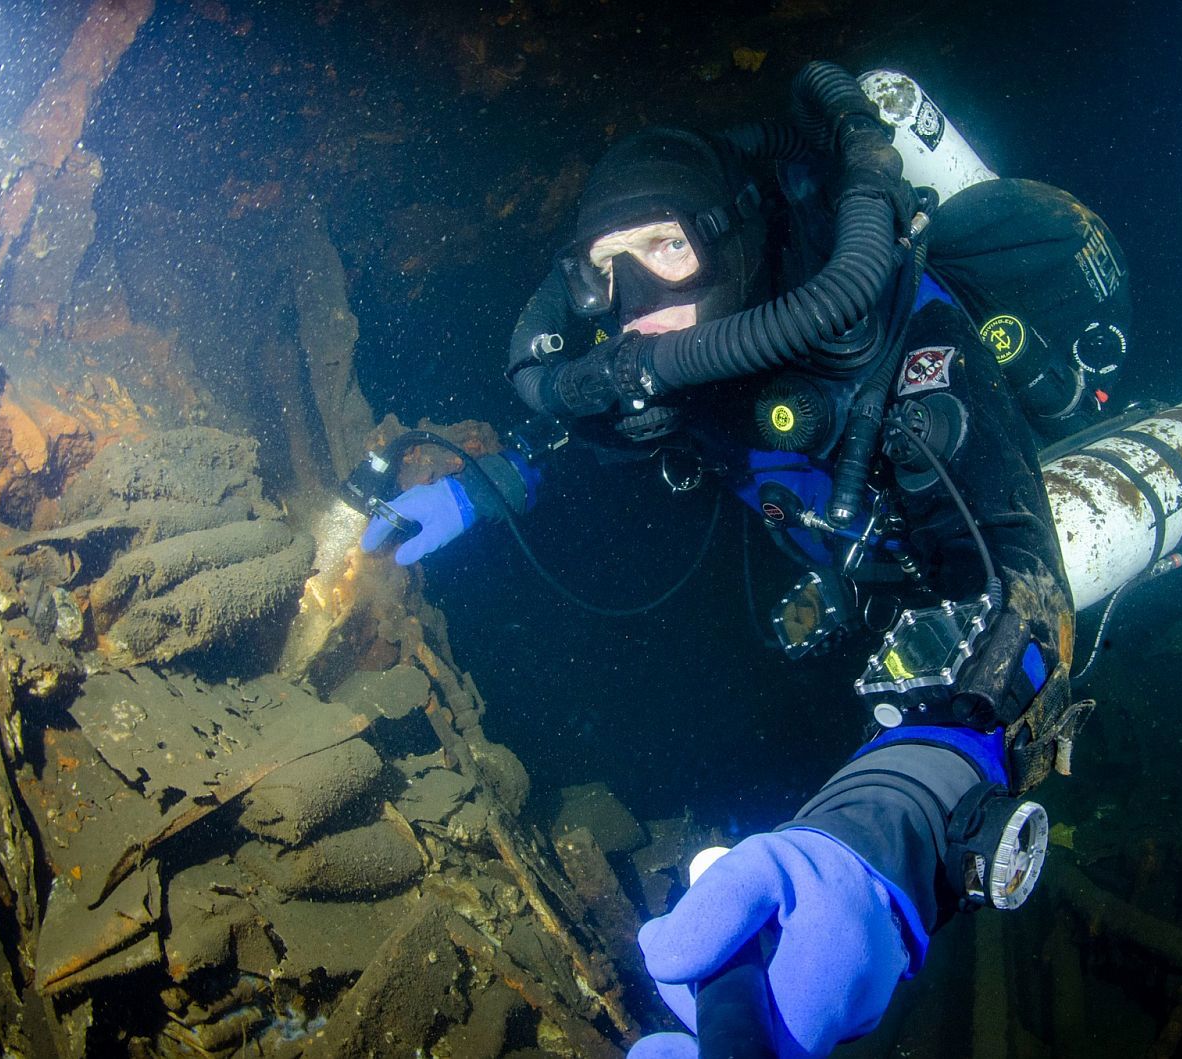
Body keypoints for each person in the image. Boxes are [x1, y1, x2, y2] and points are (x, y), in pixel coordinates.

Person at [360, 62, 1131, 1056]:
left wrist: (889, 827)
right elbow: (599, 435)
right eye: (605, 267)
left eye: (664, 247)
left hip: (967, 560)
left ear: (729, 241)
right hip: (846, 577)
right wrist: (484, 486)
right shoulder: (674, 361)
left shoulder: (906, 354)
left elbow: (1022, 598)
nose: (634, 296)